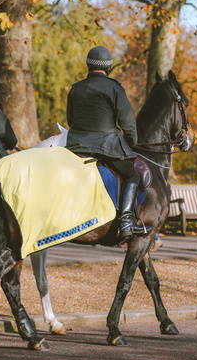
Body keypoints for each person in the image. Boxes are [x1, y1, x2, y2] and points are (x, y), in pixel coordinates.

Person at [65, 46, 152, 239]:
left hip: (75, 146)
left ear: (88, 65)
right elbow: (128, 122)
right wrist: (132, 142)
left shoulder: (75, 88)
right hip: (106, 147)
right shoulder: (114, 88)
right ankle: (127, 222)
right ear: (109, 68)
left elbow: (70, 121)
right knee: (133, 176)